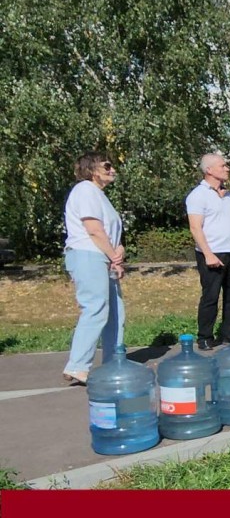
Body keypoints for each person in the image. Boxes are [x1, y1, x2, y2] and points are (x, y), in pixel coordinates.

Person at [61, 152, 125, 385]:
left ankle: (114, 362)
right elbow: (93, 229)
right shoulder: (85, 190)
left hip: (102, 257)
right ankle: (78, 365)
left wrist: (118, 252)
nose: (112, 170)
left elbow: (110, 232)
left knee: (116, 313)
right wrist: (113, 256)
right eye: (107, 166)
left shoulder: (99, 195)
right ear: (92, 169)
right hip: (88, 255)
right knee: (95, 308)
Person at [185, 153, 230, 350]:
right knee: (210, 296)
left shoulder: (229, 196)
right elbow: (195, 227)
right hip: (212, 252)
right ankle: (205, 336)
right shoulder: (198, 195)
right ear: (209, 170)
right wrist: (208, 254)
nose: (227, 169)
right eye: (223, 166)